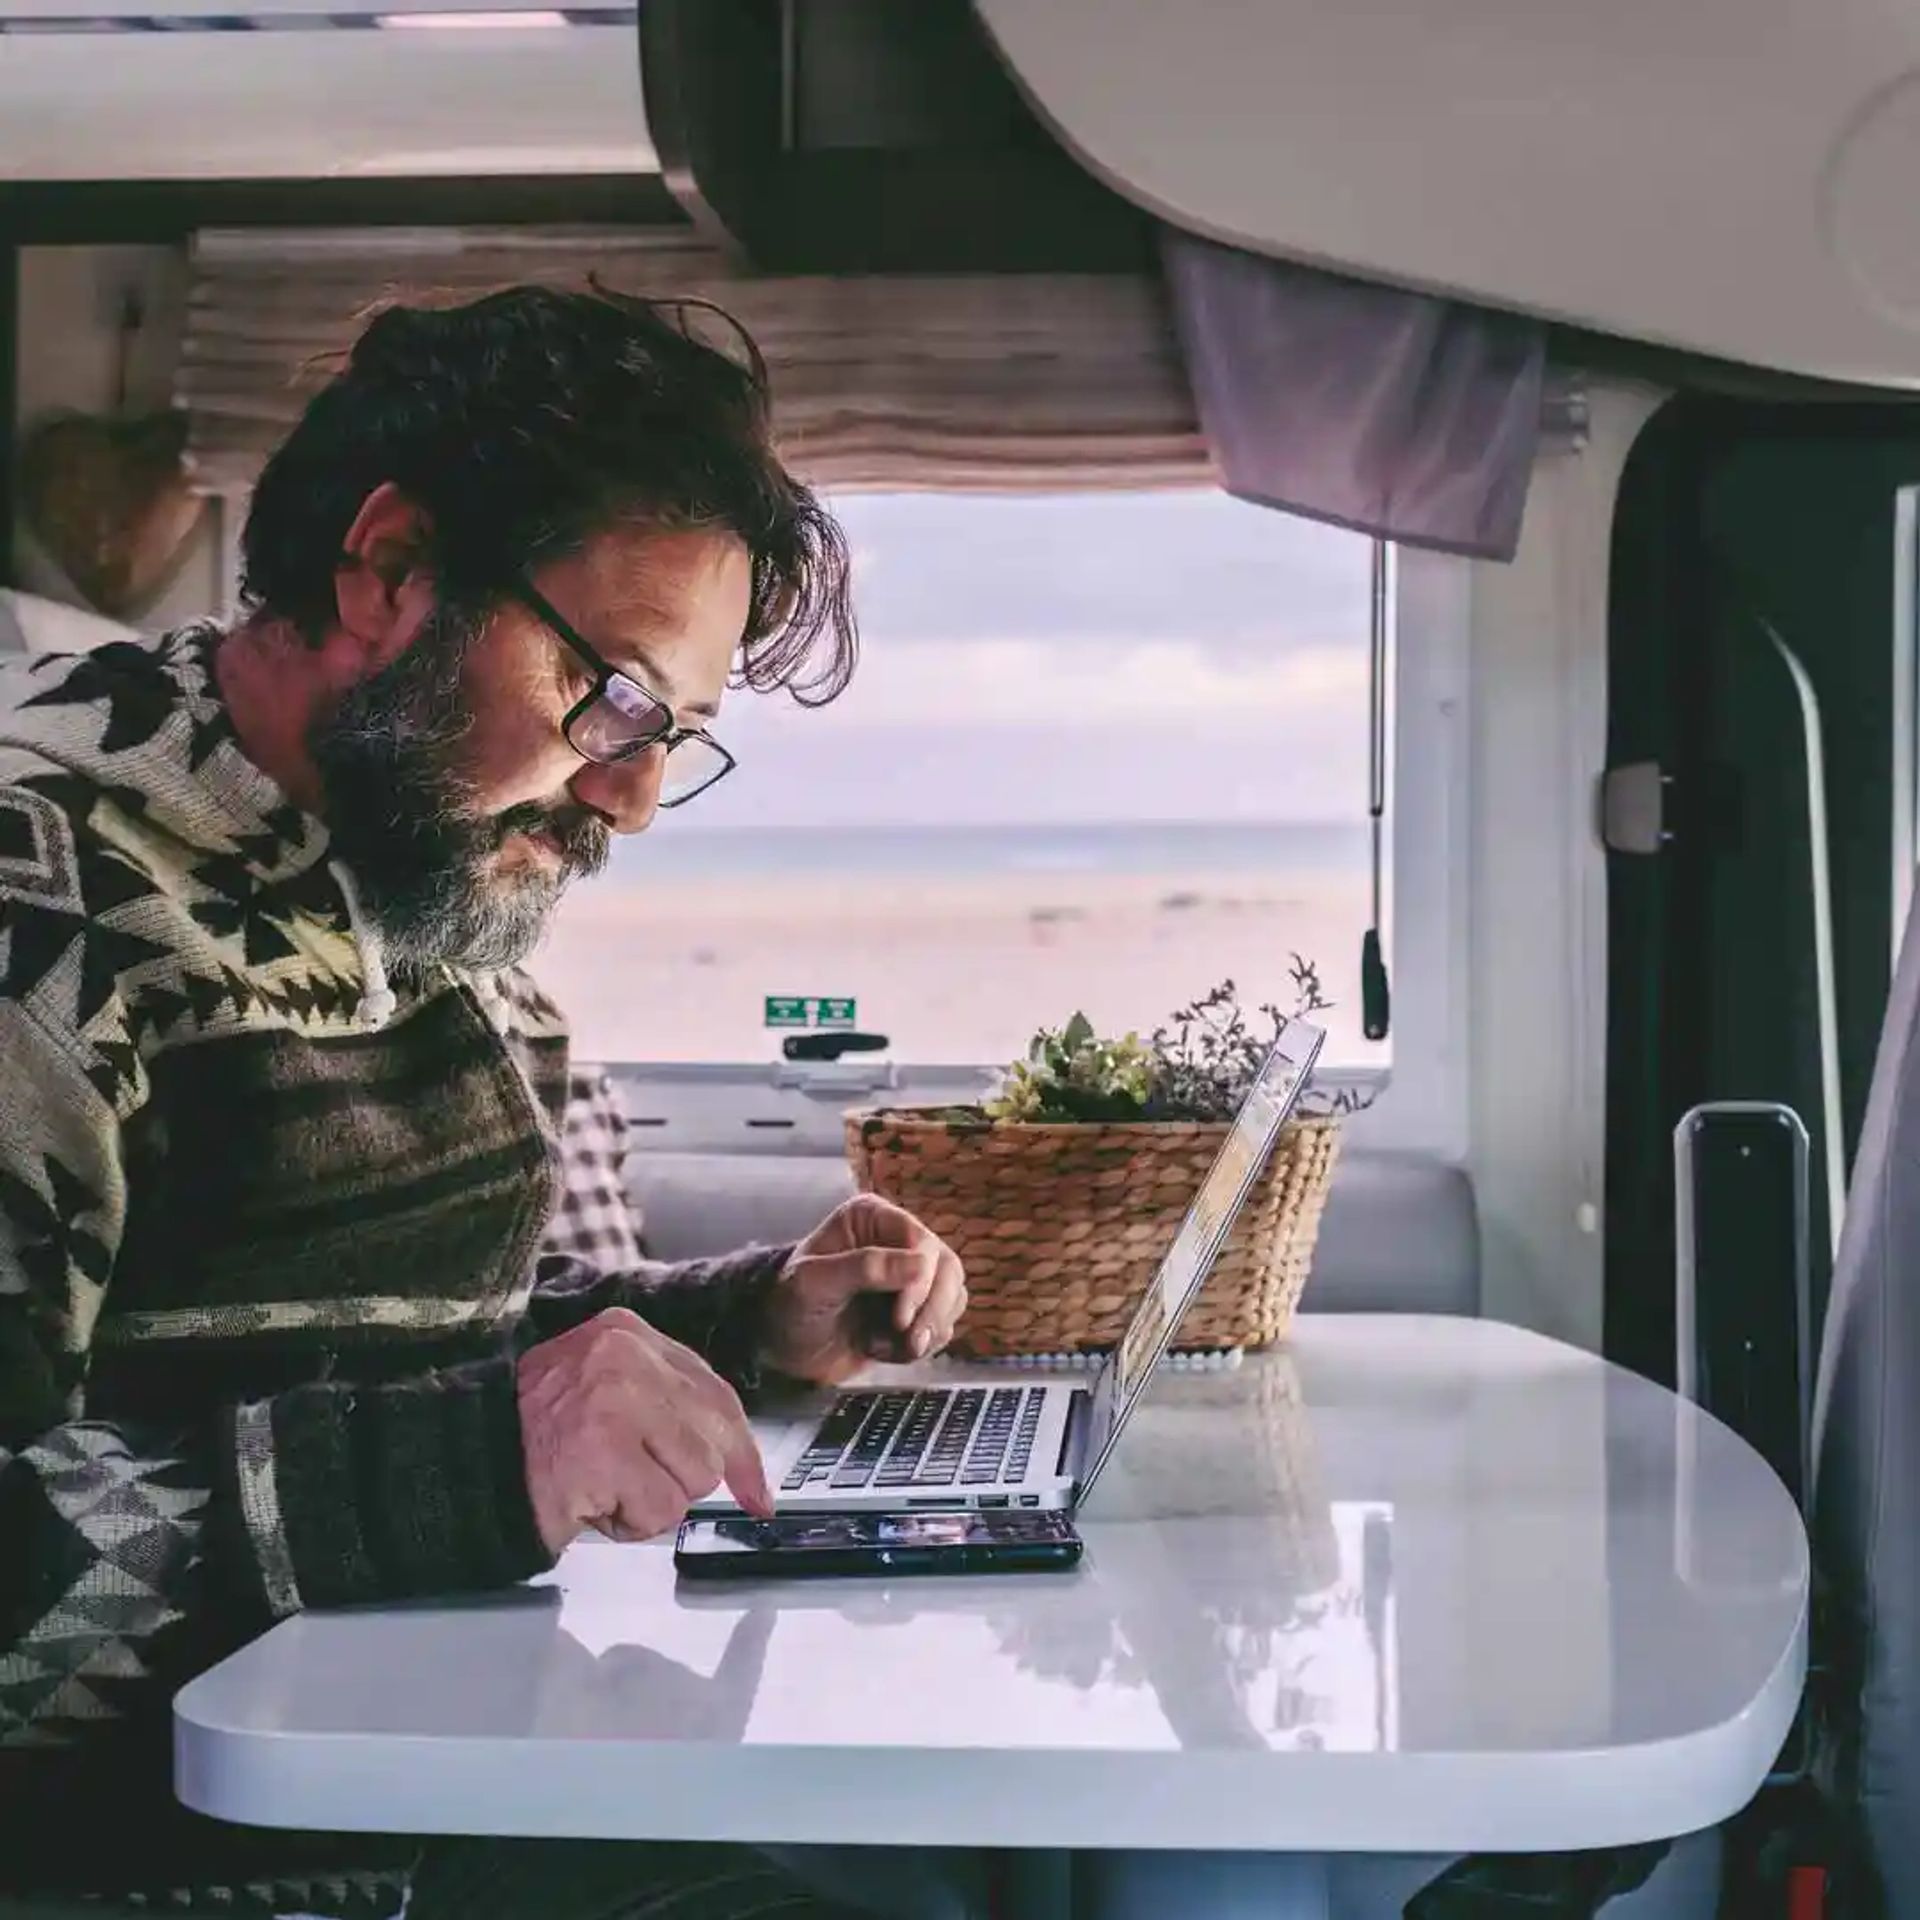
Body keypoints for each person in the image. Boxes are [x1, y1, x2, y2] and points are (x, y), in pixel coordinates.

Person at [0, 286, 971, 1918]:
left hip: (439, 1775)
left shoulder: (434, 877)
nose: (639, 795)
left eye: (678, 735)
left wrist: (736, 1324)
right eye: (614, 696)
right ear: (388, 568)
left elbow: (383, 1357)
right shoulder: (49, 912)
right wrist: (477, 1467)